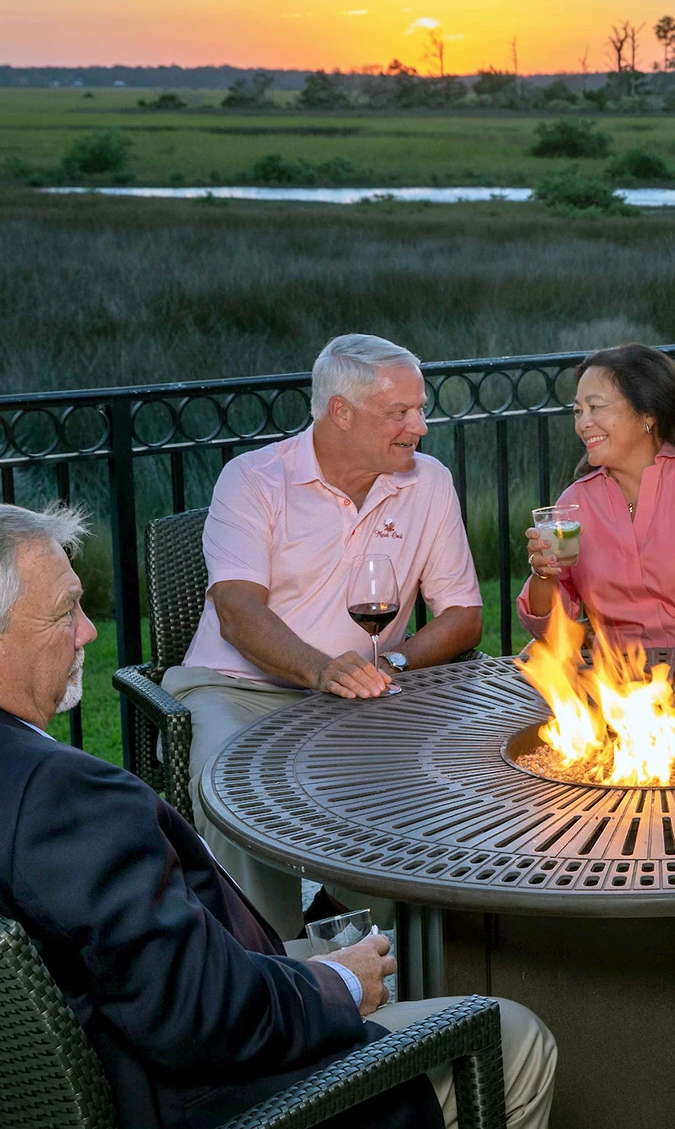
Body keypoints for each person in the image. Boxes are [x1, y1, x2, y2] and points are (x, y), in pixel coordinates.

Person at [0, 502, 555, 1129]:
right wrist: (334, 988)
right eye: (67, 612)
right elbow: (200, 1020)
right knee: (514, 1035)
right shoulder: (64, 800)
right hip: (181, 1098)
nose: (89, 633)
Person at [162, 333, 483, 938]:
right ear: (342, 412)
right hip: (238, 689)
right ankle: (275, 972)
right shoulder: (255, 480)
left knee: (434, 789)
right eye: (401, 412)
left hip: (362, 693)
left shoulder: (428, 483)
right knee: (230, 793)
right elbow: (236, 610)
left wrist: (395, 661)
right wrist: (319, 669)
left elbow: (463, 614)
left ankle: (384, 958)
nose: (420, 424)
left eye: (420, 408)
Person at [517, 343, 675, 650]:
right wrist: (543, 575)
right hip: (621, 685)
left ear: (648, 413)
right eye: (578, 411)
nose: (582, 423)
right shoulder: (576, 502)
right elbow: (550, 631)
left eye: (596, 407)